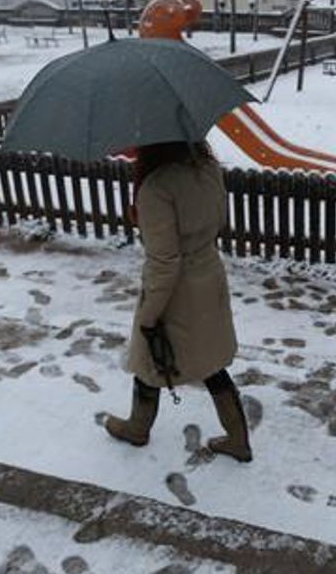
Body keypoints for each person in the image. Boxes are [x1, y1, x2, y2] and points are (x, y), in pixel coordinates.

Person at [104, 140, 252, 462]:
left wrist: (149, 314)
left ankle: (137, 428)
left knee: (148, 361)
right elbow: (210, 222)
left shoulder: (156, 187)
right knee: (210, 362)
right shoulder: (207, 168)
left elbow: (164, 261)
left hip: (176, 291)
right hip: (209, 275)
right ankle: (239, 440)